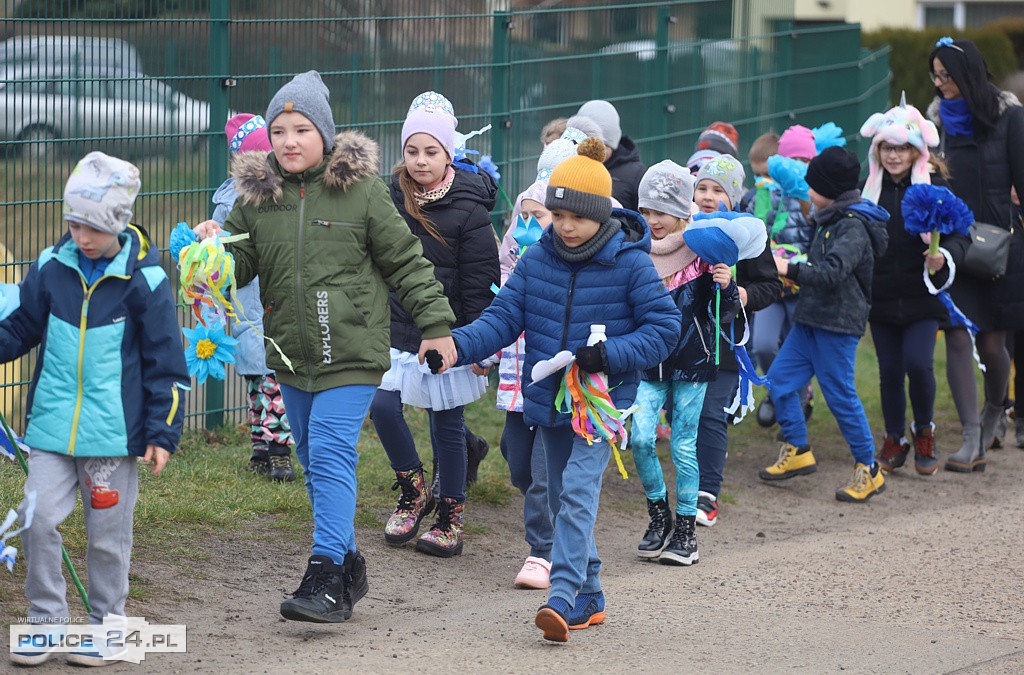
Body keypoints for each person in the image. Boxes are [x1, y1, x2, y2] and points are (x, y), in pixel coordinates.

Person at [195, 71, 458, 623]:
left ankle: (325, 576)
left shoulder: (360, 191)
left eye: (302, 129)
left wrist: (436, 324)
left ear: (326, 135)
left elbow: (407, 262)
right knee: (314, 461)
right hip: (291, 353)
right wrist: (211, 254)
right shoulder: (257, 196)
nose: (289, 141)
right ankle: (349, 562)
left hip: (352, 349)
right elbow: (240, 263)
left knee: (331, 448)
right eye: (280, 130)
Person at [447, 138, 681, 642]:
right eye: (557, 214)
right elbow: (503, 318)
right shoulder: (537, 260)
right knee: (557, 497)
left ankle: (564, 595)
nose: (566, 226)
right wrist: (454, 346)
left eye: (577, 216)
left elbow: (665, 329)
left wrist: (609, 354)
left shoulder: (630, 263)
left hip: (601, 400)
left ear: (600, 214)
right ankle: (592, 595)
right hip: (549, 397)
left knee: (577, 490)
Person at [4, 151, 189, 666]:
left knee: (107, 540)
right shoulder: (48, 267)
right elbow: (21, 327)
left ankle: (108, 626)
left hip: (112, 439)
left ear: (120, 223)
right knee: (34, 519)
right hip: (50, 432)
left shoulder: (146, 281)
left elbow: (167, 363)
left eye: (94, 227)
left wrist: (162, 432)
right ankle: (45, 620)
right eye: (74, 223)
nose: (82, 236)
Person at [369, 91, 499, 558]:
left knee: (447, 422)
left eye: (431, 151)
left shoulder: (470, 209)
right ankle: (412, 490)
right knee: (383, 407)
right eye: (411, 151)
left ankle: (450, 514)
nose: (420, 161)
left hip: (450, 333)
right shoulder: (388, 198)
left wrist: (478, 344)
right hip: (395, 329)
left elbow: (480, 283)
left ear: (449, 154)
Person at [760, 146, 891, 502]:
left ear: (829, 189)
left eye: (811, 183)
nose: (805, 187)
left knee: (840, 396)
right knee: (780, 382)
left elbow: (832, 273)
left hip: (838, 325)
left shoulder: (853, 226)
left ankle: (870, 469)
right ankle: (798, 449)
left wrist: (786, 268)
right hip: (809, 320)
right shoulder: (828, 218)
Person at [631, 160, 737, 563]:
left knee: (683, 445)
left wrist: (728, 287)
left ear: (681, 211)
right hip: (649, 362)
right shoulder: (637, 252)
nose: (652, 220)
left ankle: (687, 531)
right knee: (640, 436)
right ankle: (659, 515)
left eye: (660, 212)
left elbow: (725, 314)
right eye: (645, 211)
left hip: (694, 361)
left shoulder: (704, 249)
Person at [926, 37, 1024, 471]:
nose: (940, 84)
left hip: (1002, 244)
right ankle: (971, 438)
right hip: (952, 246)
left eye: (947, 76)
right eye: (936, 76)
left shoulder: (1010, 117)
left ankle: (993, 411)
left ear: (968, 74)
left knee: (994, 342)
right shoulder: (933, 126)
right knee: (957, 336)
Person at [860, 101, 968, 475]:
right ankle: (894, 438)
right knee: (889, 370)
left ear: (916, 151)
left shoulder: (934, 188)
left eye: (901, 147)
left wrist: (945, 257)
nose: (893, 155)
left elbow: (960, 235)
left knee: (919, 365)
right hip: (882, 298)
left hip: (923, 296)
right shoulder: (867, 192)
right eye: (887, 147)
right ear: (878, 150)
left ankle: (924, 430)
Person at [691, 154, 783, 526]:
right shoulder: (684, 227)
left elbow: (771, 285)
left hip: (728, 339)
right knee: (686, 414)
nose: (708, 196)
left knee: (711, 412)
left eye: (718, 190)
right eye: (702, 188)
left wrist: (742, 294)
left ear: (734, 197)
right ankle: (686, 486)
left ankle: (707, 494)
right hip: (686, 337)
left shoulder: (749, 232)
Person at [211, 113, 295, 482]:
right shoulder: (231, 203)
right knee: (258, 378)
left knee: (273, 376)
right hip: (248, 298)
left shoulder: (284, 193)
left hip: (274, 298)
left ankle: (276, 449)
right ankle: (264, 449)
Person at [481, 179, 555, 588]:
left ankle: (541, 553)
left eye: (538, 216)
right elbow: (501, 321)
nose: (528, 223)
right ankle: (559, 513)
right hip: (516, 391)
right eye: (523, 216)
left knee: (543, 473)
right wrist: (485, 355)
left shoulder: (562, 273)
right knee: (517, 462)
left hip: (554, 392)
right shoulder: (510, 274)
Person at [750, 125, 819, 428]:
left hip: (803, 290)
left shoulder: (815, 198)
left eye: (805, 162)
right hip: (772, 288)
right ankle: (776, 389)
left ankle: (797, 399)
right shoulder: (763, 195)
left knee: (800, 351)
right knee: (763, 343)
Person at [577, 99, 647, 210]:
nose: (595, 150)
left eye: (603, 145)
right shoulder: (571, 165)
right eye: (587, 144)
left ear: (613, 144)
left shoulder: (636, 174)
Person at [740, 131, 780, 223]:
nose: (762, 180)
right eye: (757, 175)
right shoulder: (750, 198)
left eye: (767, 175)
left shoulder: (788, 200)